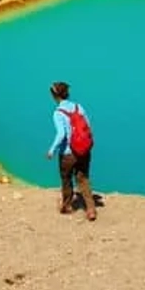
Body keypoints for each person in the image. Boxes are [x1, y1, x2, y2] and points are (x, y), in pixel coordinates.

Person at [45, 81, 96, 220]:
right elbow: (88, 126)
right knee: (83, 179)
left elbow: (61, 134)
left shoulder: (58, 113)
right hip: (84, 151)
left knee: (66, 179)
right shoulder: (79, 107)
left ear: (54, 96)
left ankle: (67, 206)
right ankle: (91, 209)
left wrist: (52, 150)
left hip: (68, 154)